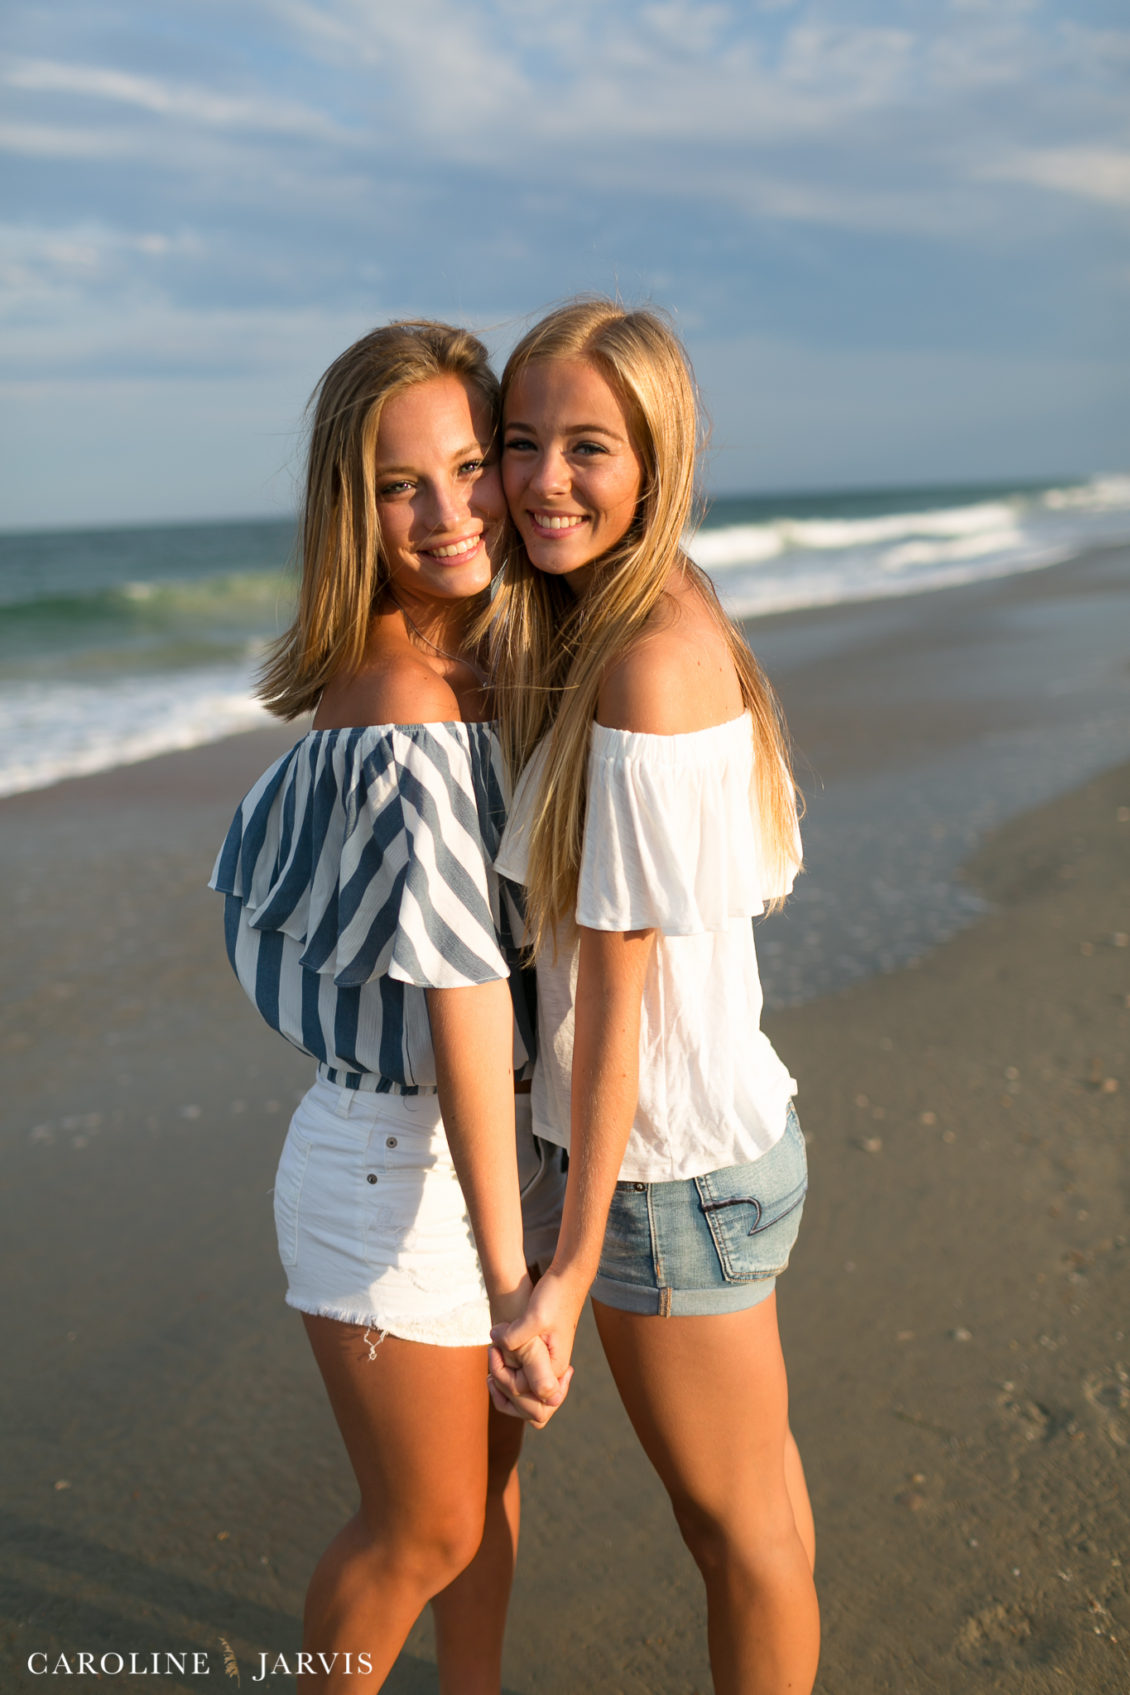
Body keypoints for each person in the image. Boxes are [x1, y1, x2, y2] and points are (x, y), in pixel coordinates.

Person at [209, 321, 566, 1695]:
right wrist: (509, 1271)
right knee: (420, 1524)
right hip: (397, 1166)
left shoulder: (471, 666)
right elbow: (467, 998)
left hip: (473, 1151)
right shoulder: (406, 702)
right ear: (349, 510)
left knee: (486, 1493)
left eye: (471, 466)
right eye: (397, 485)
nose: (447, 511)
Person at [487, 300, 820, 1695]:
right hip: (698, 1152)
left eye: (586, 448)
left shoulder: (644, 662)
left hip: (660, 1178)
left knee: (737, 1537)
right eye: (518, 443)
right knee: (755, 1520)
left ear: (654, 457)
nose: (542, 480)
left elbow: (613, 1005)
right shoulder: (648, 603)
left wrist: (561, 1271)